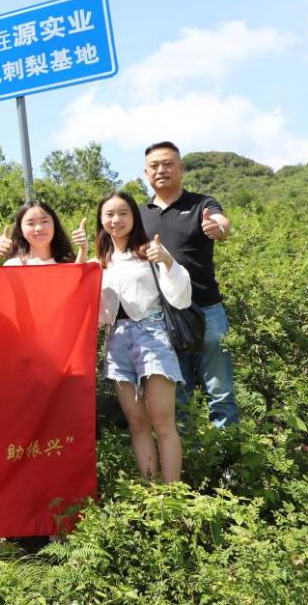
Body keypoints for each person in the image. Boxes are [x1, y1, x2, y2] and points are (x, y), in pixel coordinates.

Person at [139, 141, 238, 427]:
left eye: (168, 164)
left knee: (220, 394)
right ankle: (189, 455)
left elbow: (222, 223)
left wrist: (218, 228)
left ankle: (227, 454)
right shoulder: (140, 214)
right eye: (154, 166)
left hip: (207, 310)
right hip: (164, 317)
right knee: (178, 400)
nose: (161, 170)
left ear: (181, 168)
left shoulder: (202, 204)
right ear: (146, 173)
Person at [95, 191, 191, 483]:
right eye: (109, 214)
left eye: (123, 213)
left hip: (152, 334)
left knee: (163, 422)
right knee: (137, 423)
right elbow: (92, 311)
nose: (116, 220)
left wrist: (168, 260)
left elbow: (181, 296)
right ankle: (151, 491)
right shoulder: (100, 261)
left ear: (134, 217)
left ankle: (172, 493)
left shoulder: (148, 251)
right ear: (101, 220)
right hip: (116, 339)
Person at [3, 200, 86, 266]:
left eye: (44, 221)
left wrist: (83, 249)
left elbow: (78, 276)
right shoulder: (13, 266)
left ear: (54, 225)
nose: (39, 228)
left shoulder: (68, 263)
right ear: (20, 230)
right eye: (31, 223)